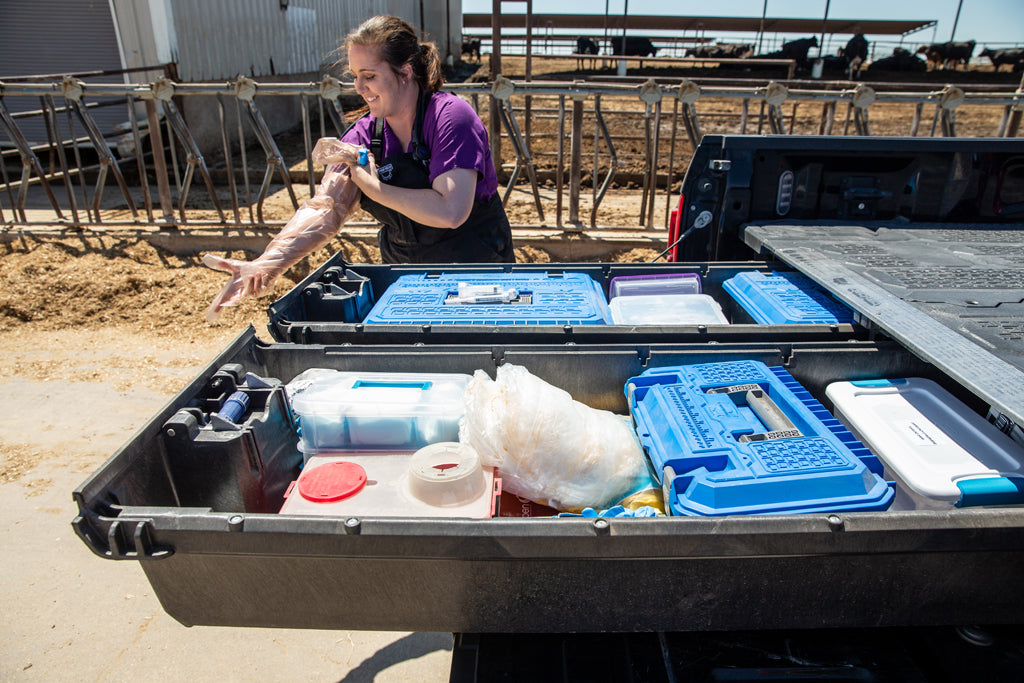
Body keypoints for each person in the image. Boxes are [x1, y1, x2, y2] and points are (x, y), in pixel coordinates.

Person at [203, 14, 515, 322]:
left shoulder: (450, 117)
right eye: (354, 76)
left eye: (369, 76)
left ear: (405, 72)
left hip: (475, 270)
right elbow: (327, 207)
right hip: (406, 274)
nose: (359, 87)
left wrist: (374, 188)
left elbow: (451, 211)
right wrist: (268, 263)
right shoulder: (363, 136)